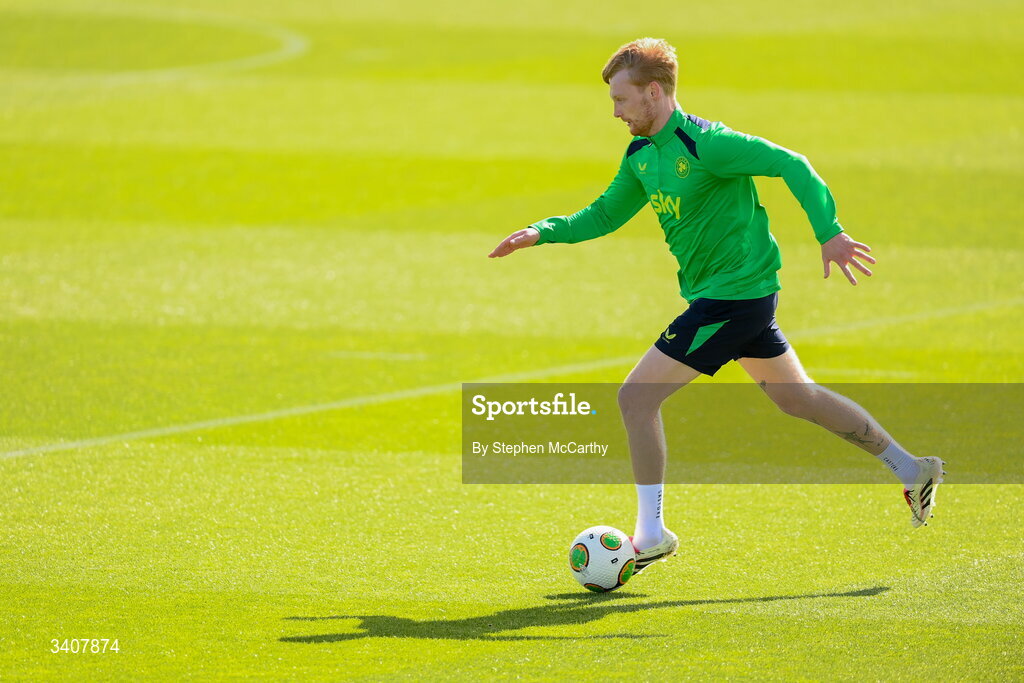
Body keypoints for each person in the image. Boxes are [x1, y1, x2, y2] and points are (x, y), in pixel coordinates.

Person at [488, 38, 945, 574]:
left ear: (653, 93)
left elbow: (791, 164)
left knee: (635, 399)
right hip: (731, 298)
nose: (614, 111)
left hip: (733, 298)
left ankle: (651, 534)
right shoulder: (641, 155)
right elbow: (605, 215)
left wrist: (830, 233)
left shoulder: (708, 144)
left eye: (621, 99)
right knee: (799, 400)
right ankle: (912, 469)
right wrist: (541, 232)